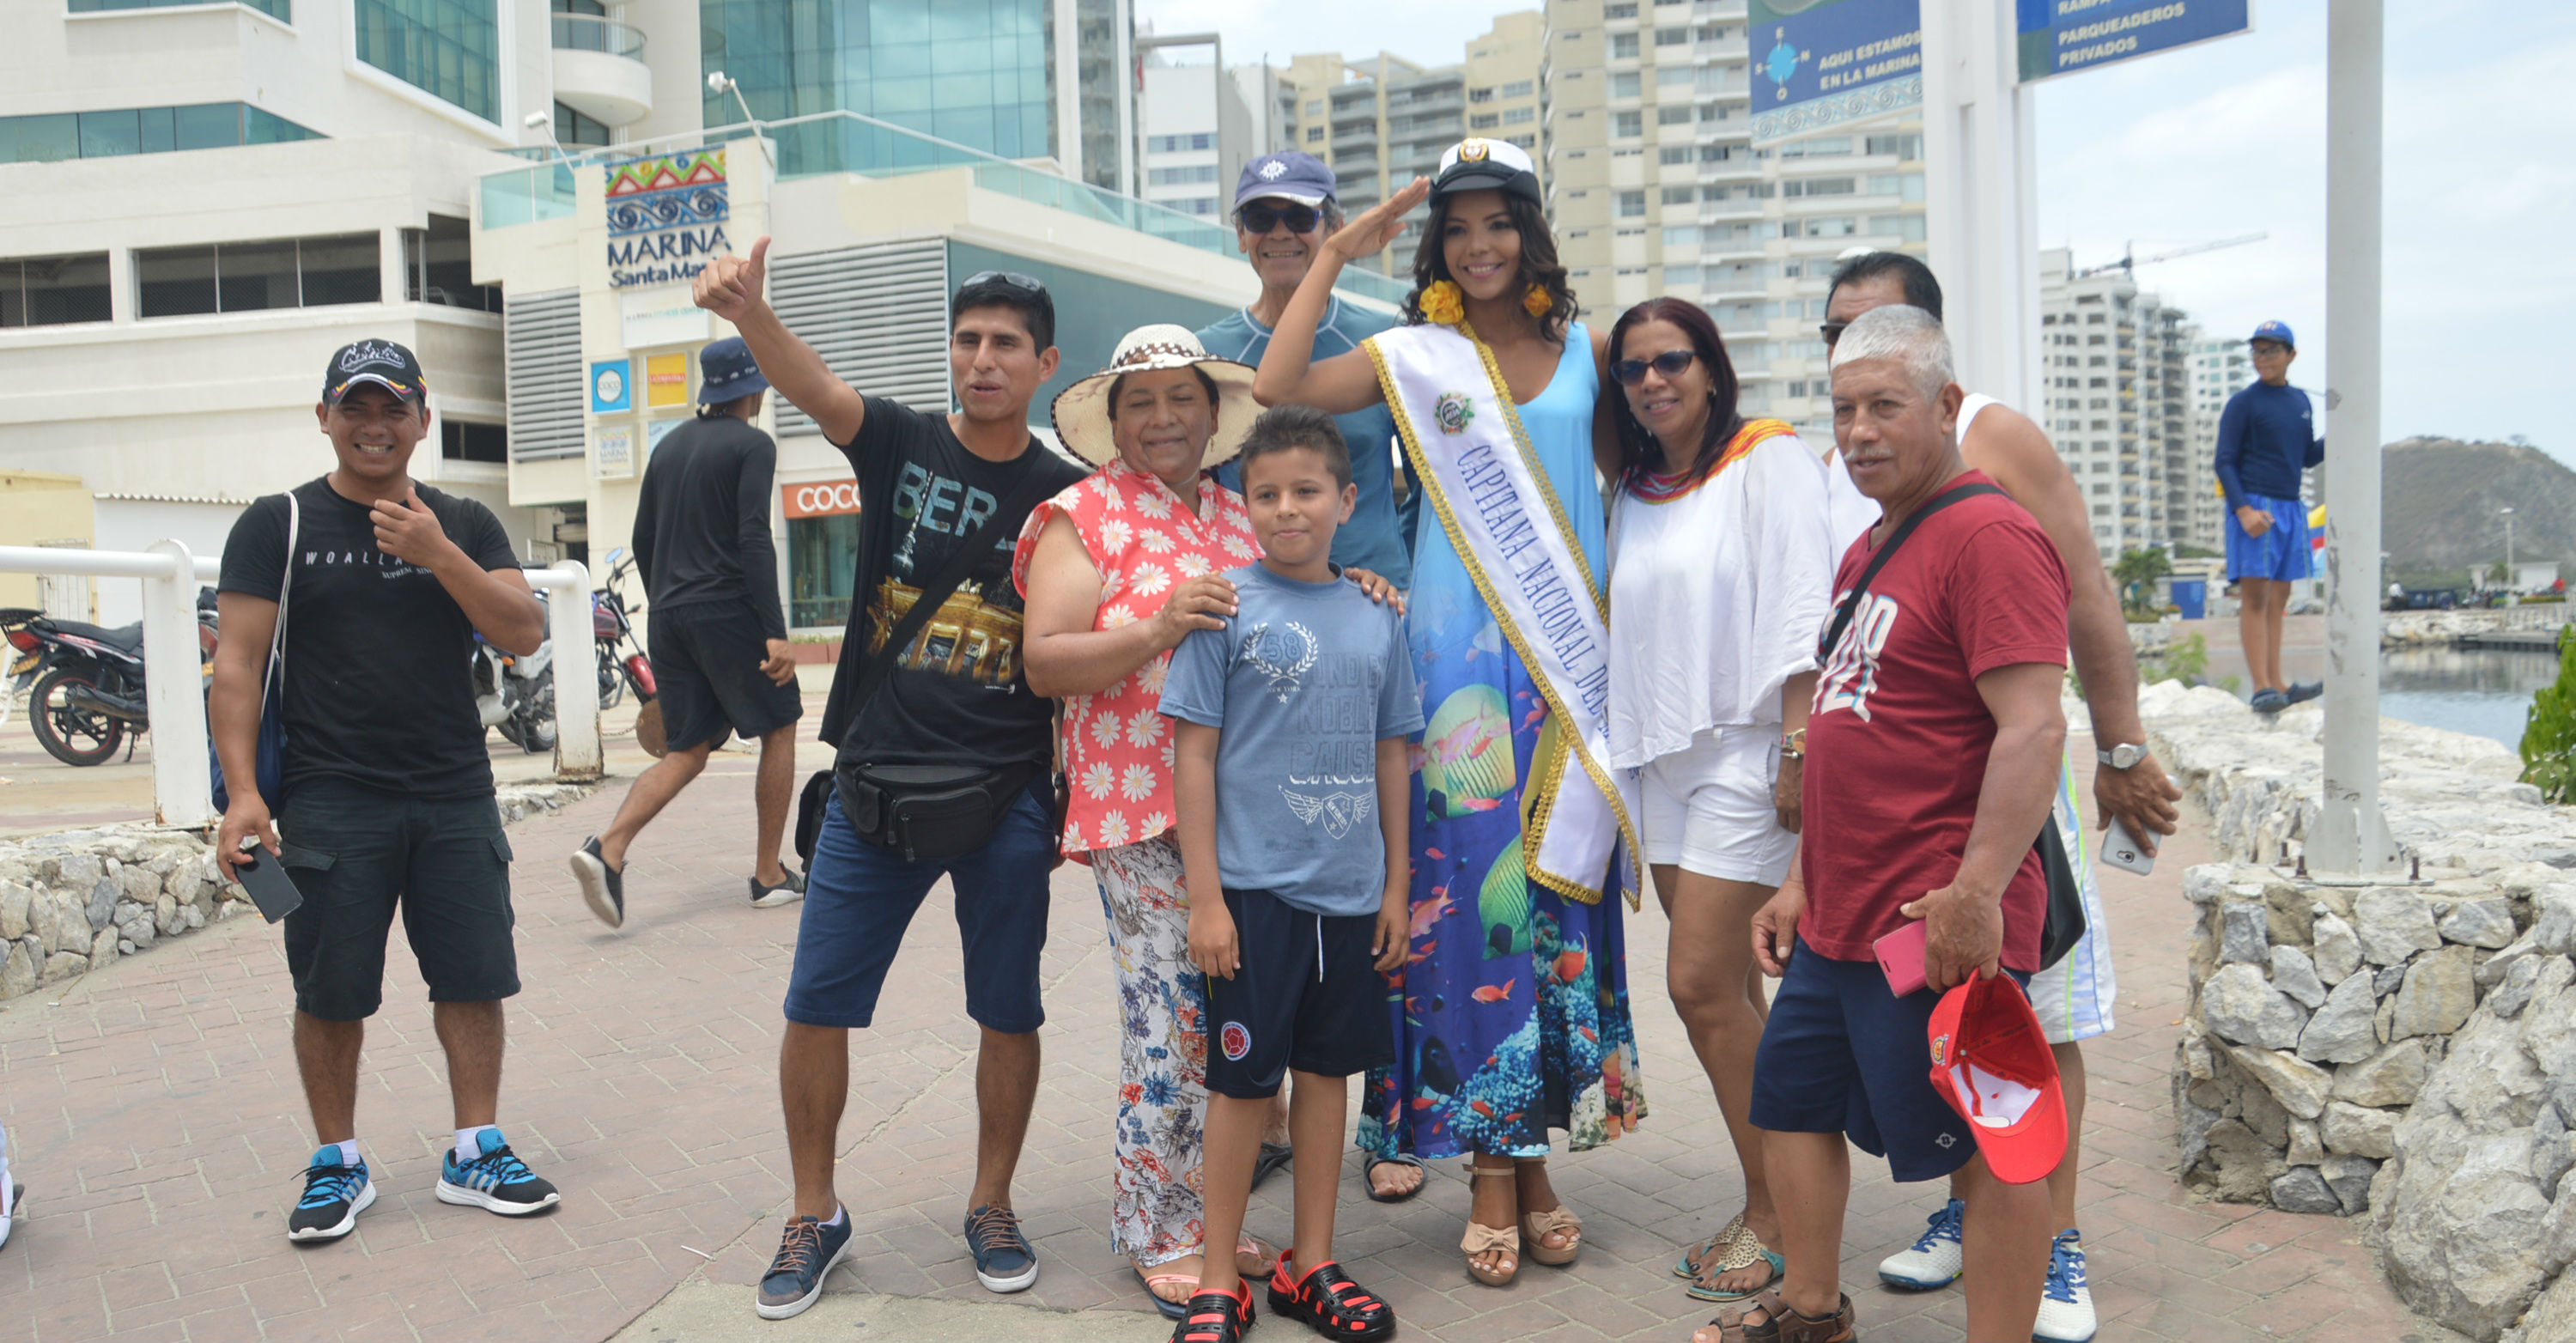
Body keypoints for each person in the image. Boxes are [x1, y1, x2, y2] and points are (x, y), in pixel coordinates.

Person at [1254, 137, 1643, 1287]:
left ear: (1531, 231)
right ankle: (1490, 1169)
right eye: (1459, 227)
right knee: (1471, 911)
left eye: (1499, 223)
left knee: (1561, 908)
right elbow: (1277, 387)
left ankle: (1534, 1165)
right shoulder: (1415, 354)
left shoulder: (1594, 352)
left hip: (1568, 671)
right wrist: (1332, 255)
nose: (1479, 246)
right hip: (1455, 671)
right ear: (1439, 244)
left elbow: (1637, 493)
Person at [690, 244, 1088, 1320]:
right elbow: (809, 383)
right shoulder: (901, 443)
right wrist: (753, 310)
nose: (985, 359)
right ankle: (813, 1210)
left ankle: (992, 1203)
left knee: (1009, 1010)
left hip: (1006, 790)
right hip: (872, 783)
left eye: (1007, 343)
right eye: (968, 340)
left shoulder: (1072, 495)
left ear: (1044, 362)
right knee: (816, 1004)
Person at [1820, 251, 2180, 1343]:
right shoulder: (1865, 455)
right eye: (1837, 331)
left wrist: (2120, 751)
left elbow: (2083, 586)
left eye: (1880, 326)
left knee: (2033, 1016)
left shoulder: (1993, 435)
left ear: (1931, 345)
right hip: (1904, 798)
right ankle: (1968, 1215)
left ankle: (2055, 1242)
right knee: (1947, 1041)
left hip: (2004, 789)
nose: (1856, 342)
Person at [1726, 304, 2068, 1343]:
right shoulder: (1872, 544)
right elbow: (1850, 724)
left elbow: (2034, 728)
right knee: (1788, 1104)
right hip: (1840, 909)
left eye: (1886, 406)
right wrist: (1799, 878)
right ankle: (1815, 1312)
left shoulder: (1989, 532)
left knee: (1982, 1147)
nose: (1861, 431)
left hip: (1931, 913)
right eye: (1844, 411)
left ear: (1948, 406)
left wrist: (1976, 891)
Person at [210, 339, 559, 1245]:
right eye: (355, 408)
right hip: (331, 800)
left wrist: (439, 552)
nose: (374, 426)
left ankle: (475, 1147)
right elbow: (237, 665)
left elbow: (523, 631)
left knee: (474, 979)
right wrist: (244, 793)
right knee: (329, 990)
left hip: (453, 793)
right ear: (323, 416)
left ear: (422, 421)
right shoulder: (276, 522)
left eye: (392, 408)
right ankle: (338, 1159)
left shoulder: (464, 522)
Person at [1014, 325, 1282, 1316]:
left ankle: (1204, 1217)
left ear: (1214, 415)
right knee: (1167, 1019)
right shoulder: (1080, 515)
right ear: (1111, 421)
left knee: (1227, 1024)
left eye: (1182, 397)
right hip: (1137, 803)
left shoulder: (1238, 515)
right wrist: (1157, 627)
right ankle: (1155, 1226)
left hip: (1246, 810)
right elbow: (1045, 659)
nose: (1163, 417)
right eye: (1141, 402)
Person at [1158, 404, 1419, 1343]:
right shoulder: (1222, 608)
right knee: (1238, 1088)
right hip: (1253, 900)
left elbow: (1396, 754)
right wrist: (1207, 898)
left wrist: (1393, 887)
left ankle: (1313, 1262)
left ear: (1348, 499)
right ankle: (1218, 1276)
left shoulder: (1376, 616)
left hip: (1351, 899)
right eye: (1264, 493)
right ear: (1243, 502)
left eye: (1306, 491)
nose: (1285, 509)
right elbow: (1193, 757)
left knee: (1325, 1076)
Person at [1600, 299, 1836, 1306]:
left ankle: (1777, 1215)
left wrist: (1797, 745)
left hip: (1745, 748)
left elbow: (1802, 600)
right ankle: (1786, 1187)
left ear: (1711, 365)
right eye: (1635, 368)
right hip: (1658, 758)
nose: (1655, 379)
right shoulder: (1632, 489)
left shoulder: (1766, 456)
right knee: (1734, 997)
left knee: (1699, 985)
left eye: (1673, 359)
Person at [570, 336, 805, 927]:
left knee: (688, 750)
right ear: (751, 388)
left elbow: (645, 537)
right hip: (726, 610)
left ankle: (609, 849)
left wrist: (669, 600)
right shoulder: (753, 445)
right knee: (780, 725)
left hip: (669, 615)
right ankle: (768, 873)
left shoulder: (668, 447)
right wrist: (774, 632)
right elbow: (753, 537)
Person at [1198, 151, 1416, 595]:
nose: (1280, 232)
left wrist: (1396, 565)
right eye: (1260, 217)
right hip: (1253, 605)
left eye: (1299, 216)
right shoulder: (1206, 355)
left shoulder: (1383, 339)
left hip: (1374, 599)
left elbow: (1430, 488)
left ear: (1336, 230)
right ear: (1241, 235)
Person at [2214, 319, 2324, 713]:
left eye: (2272, 350)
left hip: (2291, 505)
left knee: (2280, 597)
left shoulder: (2301, 403)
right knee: (2255, 597)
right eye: (2258, 351)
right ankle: (2261, 686)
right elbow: (2224, 461)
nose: (2263, 358)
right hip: (2255, 505)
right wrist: (2243, 510)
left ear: (2291, 355)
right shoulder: (2244, 402)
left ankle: (2278, 682)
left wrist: (2344, 429)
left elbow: (2305, 456)